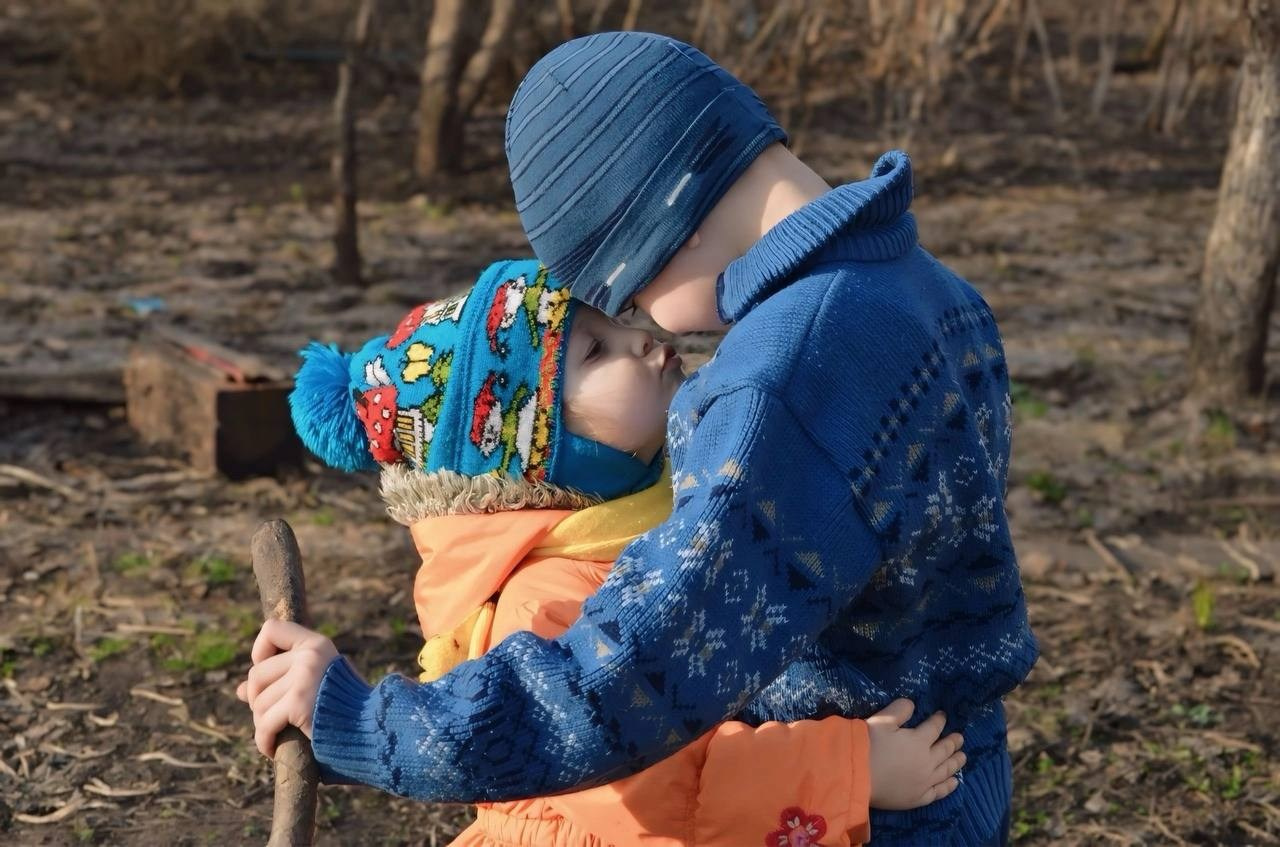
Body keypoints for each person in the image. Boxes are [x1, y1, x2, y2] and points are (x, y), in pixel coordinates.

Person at [241, 32, 1038, 845]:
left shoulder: (782, 378)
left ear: (663, 222)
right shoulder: (938, 293)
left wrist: (363, 724)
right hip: (959, 770)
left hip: (862, 813)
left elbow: (624, 682)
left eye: (626, 292)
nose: (652, 326)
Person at [253, 258, 965, 846]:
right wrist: (849, 771)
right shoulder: (546, 599)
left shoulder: (651, 523)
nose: (645, 340)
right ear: (538, 456)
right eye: (597, 350)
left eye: (619, 322)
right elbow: (659, 793)